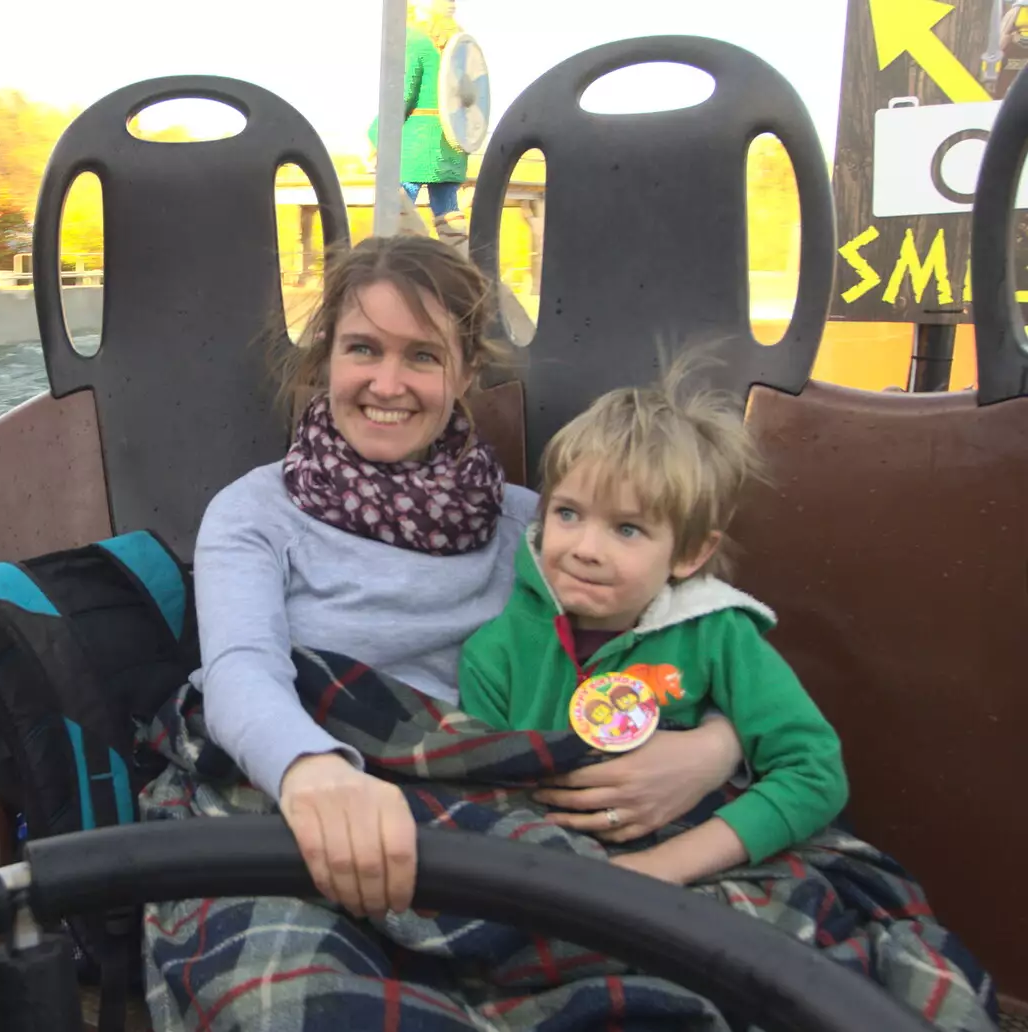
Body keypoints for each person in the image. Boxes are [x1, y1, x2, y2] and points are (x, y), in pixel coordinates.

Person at [192, 233, 747, 921]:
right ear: (327, 355)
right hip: (323, 783)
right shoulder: (255, 513)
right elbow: (241, 669)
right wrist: (311, 770)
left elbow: (701, 639)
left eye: (422, 356)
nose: (387, 384)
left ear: (465, 373)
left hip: (496, 797)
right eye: (363, 348)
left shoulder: (542, 527)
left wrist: (713, 748)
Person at [458, 378, 849, 885]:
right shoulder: (495, 654)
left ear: (690, 554)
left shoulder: (719, 635)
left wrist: (662, 869)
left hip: (695, 865)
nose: (585, 548)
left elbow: (814, 772)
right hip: (545, 867)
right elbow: (482, 798)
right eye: (568, 513)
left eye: (627, 529)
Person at [368, 0, 472, 251]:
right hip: (453, 140)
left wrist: (375, 134)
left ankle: (404, 264)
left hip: (417, 143)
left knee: (399, 206)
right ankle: (461, 266)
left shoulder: (416, 41)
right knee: (448, 210)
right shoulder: (460, 46)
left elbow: (401, 96)